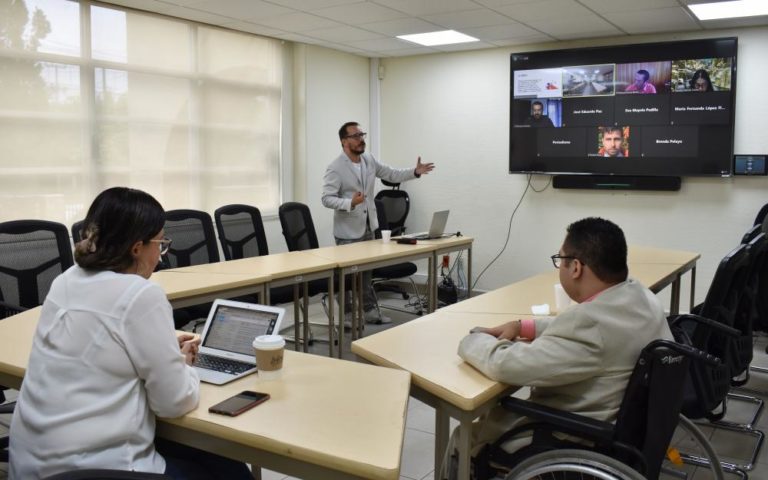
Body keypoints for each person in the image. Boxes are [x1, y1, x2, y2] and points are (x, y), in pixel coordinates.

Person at [9, 187, 253, 480]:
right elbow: (174, 402)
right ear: (137, 247)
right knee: (229, 470)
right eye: (161, 243)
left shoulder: (66, 280)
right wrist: (182, 365)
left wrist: (161, 350)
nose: (161, 256)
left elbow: (97, 348)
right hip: (99, 468)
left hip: (32, 464)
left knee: (216, 461)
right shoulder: (141, 294)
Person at [441, 217, 673, 479]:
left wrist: (473, 338)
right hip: (624, 433)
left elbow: (505, 364)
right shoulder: (639, 296)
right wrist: (523, 326)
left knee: (464, 435)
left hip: (574, 436)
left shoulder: (589, 325)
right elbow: (581, 328)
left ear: (575, 267)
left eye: (559, 259)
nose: (559, 267)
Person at [322, 122, 434, 324]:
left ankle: (369, 310)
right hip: (347, 231)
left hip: (368, 226)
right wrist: (350, 203)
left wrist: (414, 172)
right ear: (344, 141)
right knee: (347, 277)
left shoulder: (368, 159)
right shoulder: (335, 168)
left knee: (366, 274)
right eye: (356, 136)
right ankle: (346, 314)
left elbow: (391, 173)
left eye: (362, 134)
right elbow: (327, 198)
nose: (361, 139)